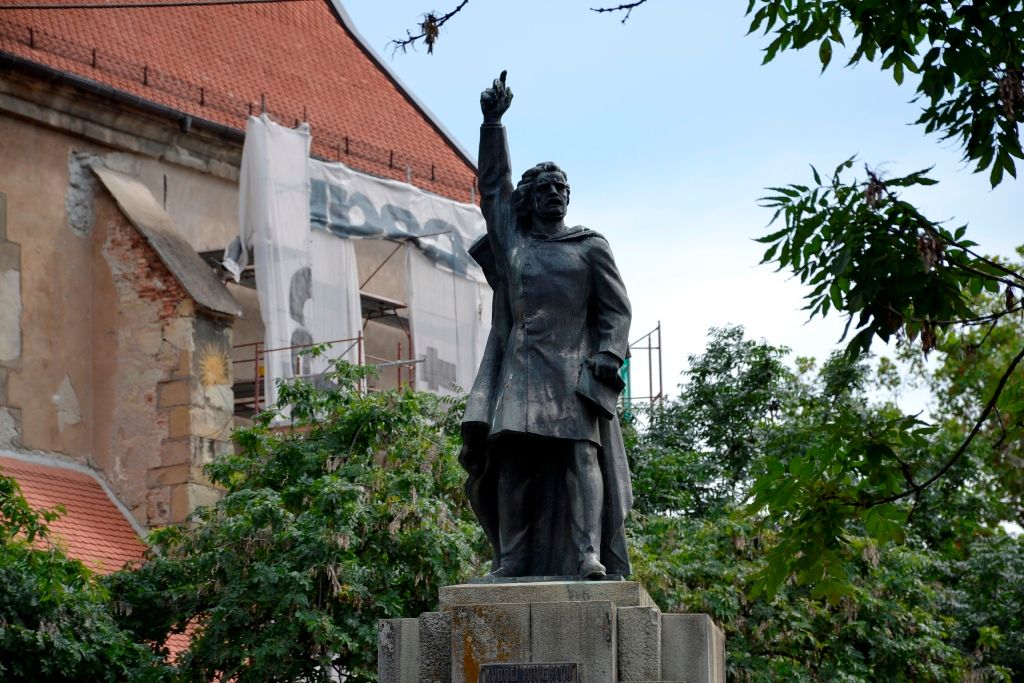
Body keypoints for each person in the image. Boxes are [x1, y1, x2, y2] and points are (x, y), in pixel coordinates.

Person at [460, 71, 633, 580]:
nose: (555, 194)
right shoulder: (513, 242)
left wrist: (609, 352)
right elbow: (493, 187)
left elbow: (616, 309)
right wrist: (493, 124)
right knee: (512, 465)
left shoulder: (590, 247)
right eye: (546, 188)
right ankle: (512, 558)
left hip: (574, 371)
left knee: (582, 459)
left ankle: (587, 555)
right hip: (521, 369)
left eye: (562, 188)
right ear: (531, 200)